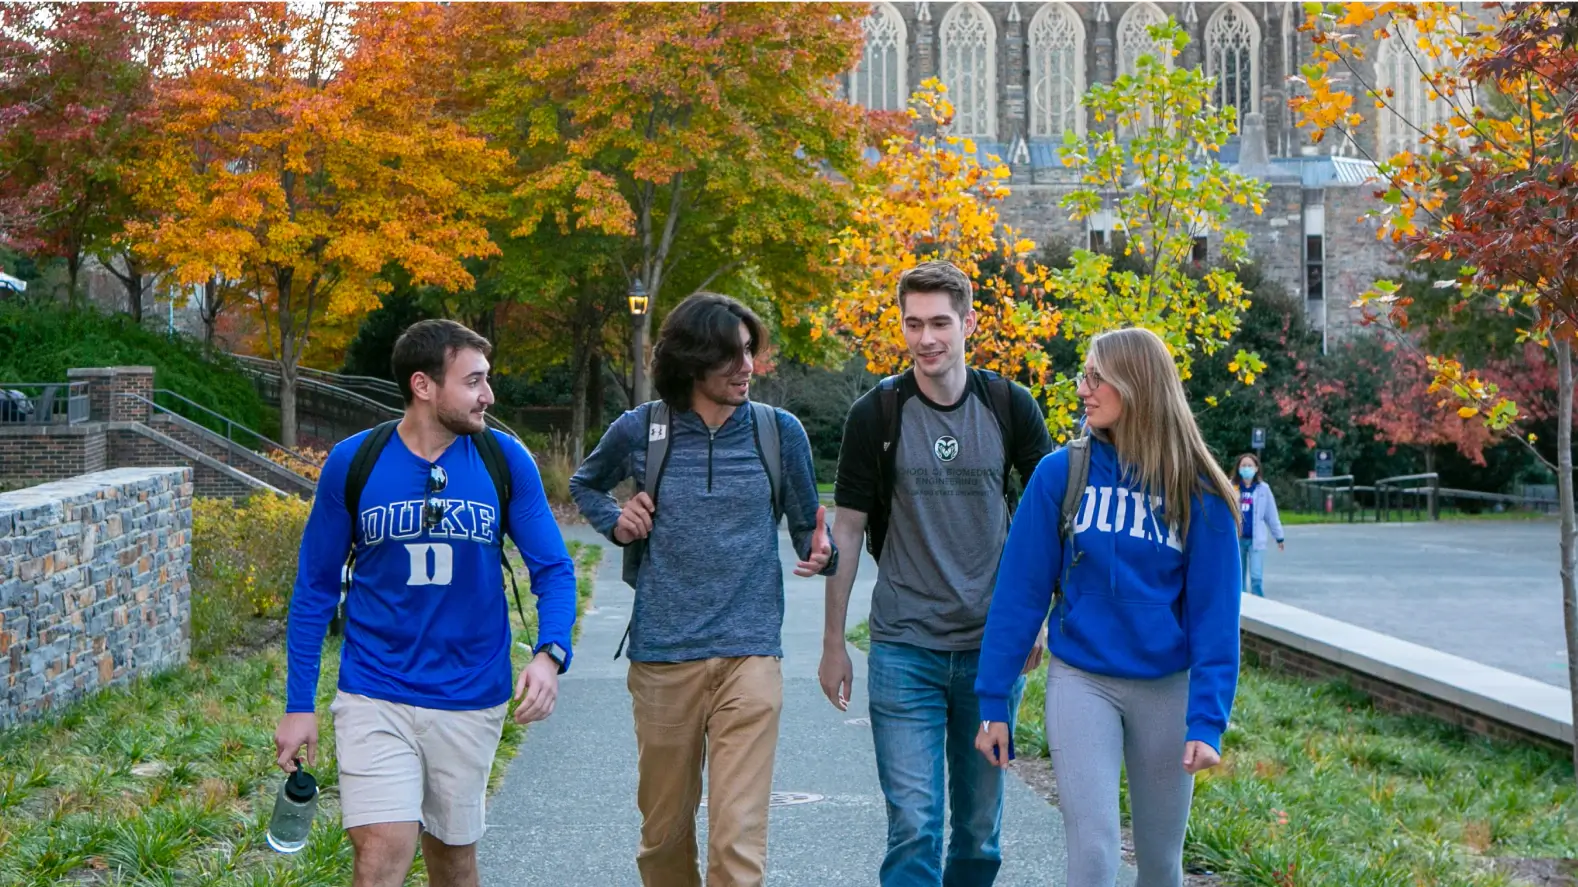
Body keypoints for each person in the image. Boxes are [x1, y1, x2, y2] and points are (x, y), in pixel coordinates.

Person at [274, 319, 579, 887]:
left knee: (452, 860)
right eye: (474, 381)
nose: (488, 395)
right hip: (374, 691)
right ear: (423, 385)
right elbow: (314, 588)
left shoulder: (504, 461)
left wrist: (550, 652)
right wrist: (299, 704)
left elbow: (555, 569)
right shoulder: (353, 462)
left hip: (470, 694)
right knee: (382, 853)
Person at [569, 291, 835, 887]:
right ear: (689, 361)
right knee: (663, 839)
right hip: (664, 658)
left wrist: (821, 550)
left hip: (750, 653)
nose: (746, 367)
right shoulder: (642, 430)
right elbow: (585, 484)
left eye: (749, 352)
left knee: (736, 840)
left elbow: (805, 525)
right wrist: (616, 519)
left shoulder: (777, 431)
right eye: (729, 356)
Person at [974, 327, 1243, 887]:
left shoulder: (1199, 491)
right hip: (1082, 682)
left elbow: (1216, 617)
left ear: (1137, 385)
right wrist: (993, 700)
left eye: (1097, 378)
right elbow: (1019, 596)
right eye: (1084, 376)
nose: (1084, 390)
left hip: (1166, 688)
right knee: (1094, 855)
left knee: (1160, 864)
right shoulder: (1059, 474)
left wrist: (1207, 720)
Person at [819, 260, 1052, 886]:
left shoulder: (1010, 406)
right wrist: (834, 643)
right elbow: (846, 528)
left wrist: (1039, 620)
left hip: (992, 653)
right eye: (913, 323)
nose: (926, 338)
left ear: (969, 323)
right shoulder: (877, 415)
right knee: (915, 825)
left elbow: (1052, 521)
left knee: (978, 834)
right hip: (903, 649)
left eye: (940, 323)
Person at [1234, 452, 1285, 597]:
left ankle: (1259, 606)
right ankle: (1242, 608)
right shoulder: (1232, 487)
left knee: (1256, 577)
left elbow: (1271, 514)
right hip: (1237, 538)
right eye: (1243, 465)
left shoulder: (1263, 489)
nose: (1246, 468)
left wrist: (1279, 537)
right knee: (1239, 578)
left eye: (1250, 465)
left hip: (1256, 540)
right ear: (1238, 468)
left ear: (1256, 468)